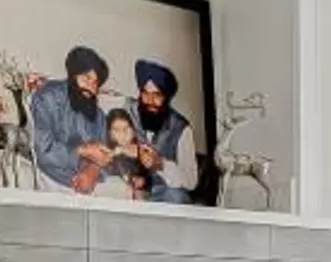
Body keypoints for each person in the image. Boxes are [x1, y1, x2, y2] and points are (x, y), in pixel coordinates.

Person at [23, 47, 114, 191]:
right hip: (51, 176)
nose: (91, 87)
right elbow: (43, 151)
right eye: (86, 78)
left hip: (89, 181)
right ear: (73, 75)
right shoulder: (47, 97)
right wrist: (82, 151)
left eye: (96, 83)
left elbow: (104, 157)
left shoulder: (99, 116)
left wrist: (92, 172)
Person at [129, 59, 200, 204]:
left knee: (176, 197)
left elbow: (191, 181)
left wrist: (161, 164)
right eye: (145, 93)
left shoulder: (182, 129)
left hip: (162, 194)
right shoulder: (130, 109)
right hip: (131, 190)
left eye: (157, 95)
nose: (150, 101)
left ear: (166, 97)